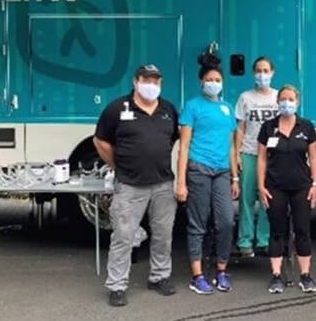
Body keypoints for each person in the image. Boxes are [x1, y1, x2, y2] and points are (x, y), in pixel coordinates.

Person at [94, 64, 180, 307]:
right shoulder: (117, 108)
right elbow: (100, 140)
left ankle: (159, 277)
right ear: (135, 81)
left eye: (156, 81)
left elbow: (173, 140)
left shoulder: (168, 109)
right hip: (129, 185)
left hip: (163, 183)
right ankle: (117, 285)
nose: (151, 85)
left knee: (163, 235)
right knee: (123, 236)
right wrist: (118, 165)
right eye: (147, 80)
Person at [176, 54, 239, 295]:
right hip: (198, 170)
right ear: (202, 82)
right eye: (210, 79)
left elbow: (231, 145)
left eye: (218, 79)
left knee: (225, 221)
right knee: (198, 225)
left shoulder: (227, 107)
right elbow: (183, 146)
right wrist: (181, 182)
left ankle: (221, 270)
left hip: (222, 171)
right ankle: (197, 275)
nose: (214, 83)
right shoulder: (192, 106)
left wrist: (234, 177)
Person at [256, 85, 316, 294]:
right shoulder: (268, 127)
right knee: (277, 232)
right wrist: (261, 186)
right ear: (277, 102)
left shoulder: (307, 127)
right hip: (275, 187)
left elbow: (314, 157)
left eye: (290, 99)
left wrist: (315, 184)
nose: (286, 103)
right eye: (283, 99)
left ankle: (305, 275)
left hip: (301, 187)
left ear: (297, 102)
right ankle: (276, 275)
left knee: (303, 231)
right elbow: (262, 159)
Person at [235, 57, 278, 257]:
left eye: (266, 70)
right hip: (250, 152)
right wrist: (236, 154)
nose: (262, 74)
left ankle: (264, 239)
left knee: (267, 198)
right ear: (253, 73)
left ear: (272, 73)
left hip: (272, 155)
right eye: (259, 70)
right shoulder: (245, 98)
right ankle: (244, 240)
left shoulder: (279, 98)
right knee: (246, 198)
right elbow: (240, 128)